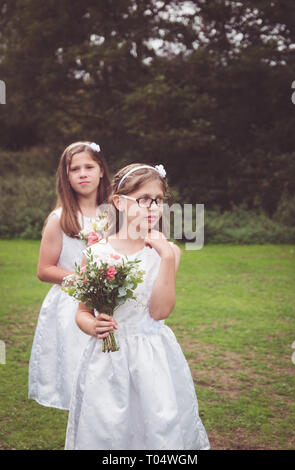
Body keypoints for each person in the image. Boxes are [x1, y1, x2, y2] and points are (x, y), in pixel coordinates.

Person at [65, 163, 210, 450]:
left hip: (153, 357)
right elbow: (82, 313)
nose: (153, 207)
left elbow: (160, 312)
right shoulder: (96, 254)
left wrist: (167, 256)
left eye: (159, 200)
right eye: (144, 199)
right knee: (108, 428)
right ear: (119, 202)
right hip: (108, 358)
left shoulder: (167, 253)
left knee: (157, 425)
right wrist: (92, 325)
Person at [28, 141, 111, 410]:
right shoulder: (61, 218)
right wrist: (83, 281)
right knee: (80, 378)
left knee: (108, 376)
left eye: (89, 166)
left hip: (108, 303)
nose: (83, 173)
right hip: (72, 305)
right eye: (75, 169)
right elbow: (44, 269)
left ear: (101, 171)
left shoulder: (114, 215)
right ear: (66, 176)